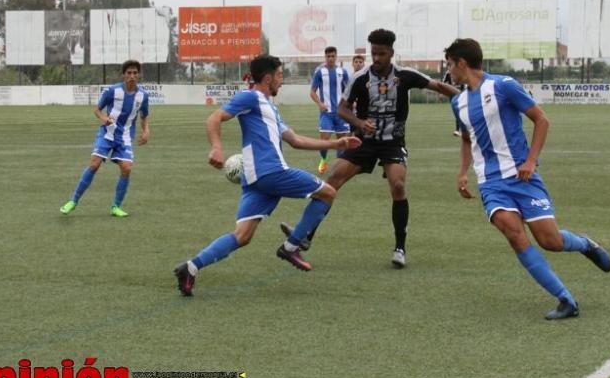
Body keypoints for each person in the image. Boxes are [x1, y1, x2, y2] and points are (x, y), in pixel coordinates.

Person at [444, 38, 610, 320]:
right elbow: (466, 138)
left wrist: (531, 161)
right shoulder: (458, 102)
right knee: (513, 232)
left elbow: (541, 120)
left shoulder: (502, 86)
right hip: (491, 183)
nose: (448, 71)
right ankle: (565, 299)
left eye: (450, 64)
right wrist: (463, 172)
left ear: (462, 62)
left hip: (522, 177)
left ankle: (584, 244)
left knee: (550, 241)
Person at [173, 54, 361, 297]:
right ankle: (291, 246)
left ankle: (190, 267)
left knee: (242, 236)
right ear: (268, 77)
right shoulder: (250, 97)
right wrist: (217, 147)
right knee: (328, 193)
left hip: (256, 180)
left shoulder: (269, 107)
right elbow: (214, 117)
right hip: (270, 171)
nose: (282, 81)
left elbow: (295, 140)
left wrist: (338, 144)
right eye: (280, 76)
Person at [281, 29, 460, 268]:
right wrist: (359, 123)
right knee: (332, 180)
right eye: (373, 53)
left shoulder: (405, 75)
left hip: (393, 142)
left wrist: (468, 96)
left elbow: (437, 85)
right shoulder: (360, 78)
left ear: (391, 53)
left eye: (381, 54)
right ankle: (305, 235)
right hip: (363, 141)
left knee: (397, 185)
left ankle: (400, 248)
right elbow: (342, 109)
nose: (376, 58)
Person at [60, 60, 150, 217]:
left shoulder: (143, 96)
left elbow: (144, 116)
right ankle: (73, 201)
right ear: (123, 75)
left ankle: (116, 207)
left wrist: (146, 131)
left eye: (135, 73)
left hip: (125, 137)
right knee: (94, 164)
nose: (132, 76)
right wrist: (103, 118)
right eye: (129, 73)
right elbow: (97, 110)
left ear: (139, 75)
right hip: (107, 134)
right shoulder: (112, 91)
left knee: (127, 168)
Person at [310, 46, 352, 174]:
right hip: (326, 113)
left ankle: (339, 166)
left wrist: (350, 103)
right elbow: (312, 92)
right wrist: (320, 104)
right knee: (324, 139)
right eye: (328, 56)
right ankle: (323, 159)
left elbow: (349, 90)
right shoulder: (320, 72)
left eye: (333, 56)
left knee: (342, 141)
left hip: (341, 113)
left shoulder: (342, 72)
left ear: (336, 56)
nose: (330, 58)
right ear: (325, 57)